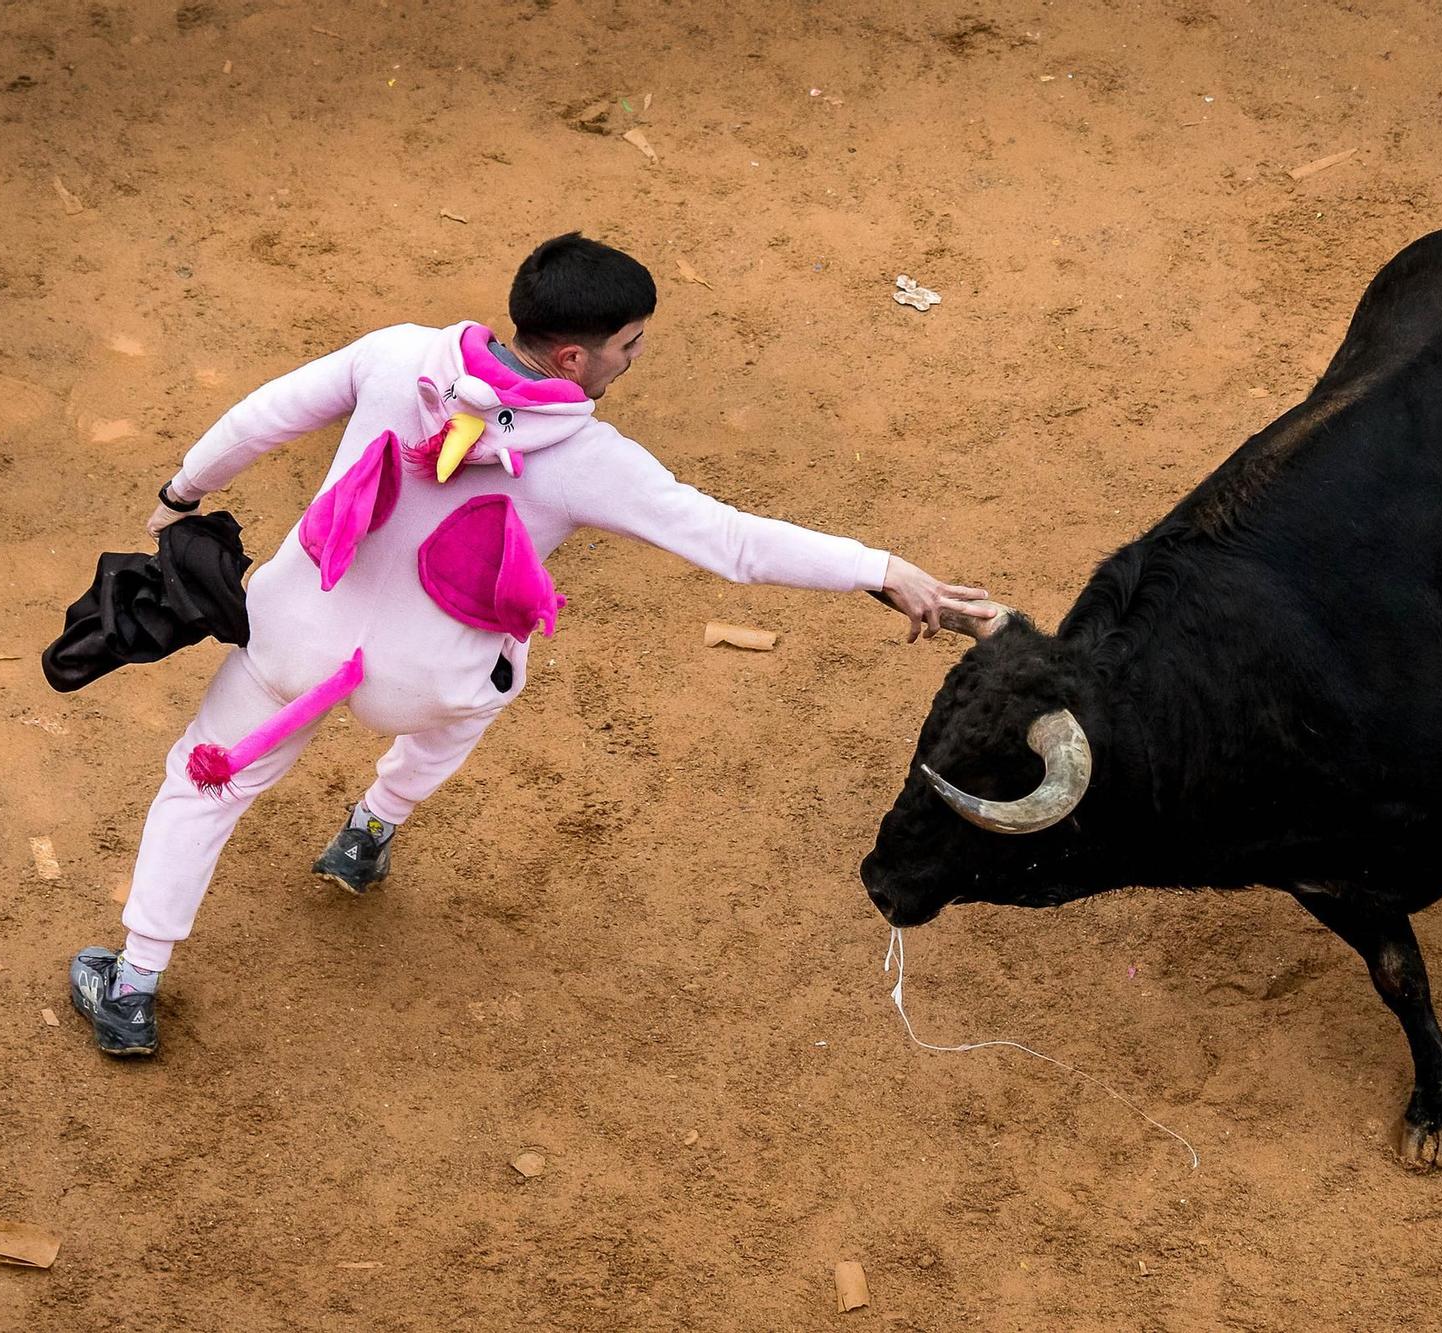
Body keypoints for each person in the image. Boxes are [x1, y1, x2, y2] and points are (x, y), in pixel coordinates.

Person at [68, 232, 993, 1057]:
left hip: (291, 636)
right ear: (571, 354)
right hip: (427, 681)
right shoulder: (591, 460)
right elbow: (735, 542)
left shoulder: (396, 355)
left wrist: (182, 491)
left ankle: (135, 986)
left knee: (203, 780)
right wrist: (882, 568)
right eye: (630, 345)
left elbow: (264, 415)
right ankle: (371, 828)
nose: (635, 359)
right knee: (488, 683)